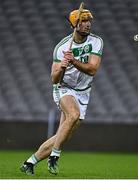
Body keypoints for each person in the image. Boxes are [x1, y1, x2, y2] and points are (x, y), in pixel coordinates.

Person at [20, 8, 104, 176]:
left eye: (89, 21)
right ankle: (54, 157)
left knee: (62, 134)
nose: (88, 24)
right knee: (73, 115)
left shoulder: (96, 42)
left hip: (83, 92)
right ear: (75, 25)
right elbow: (54, 79)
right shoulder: (61, 47)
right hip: (64, 88)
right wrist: (62, 67)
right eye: (83, 21)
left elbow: (92, 69)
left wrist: (73, 60)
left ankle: (29, 163)